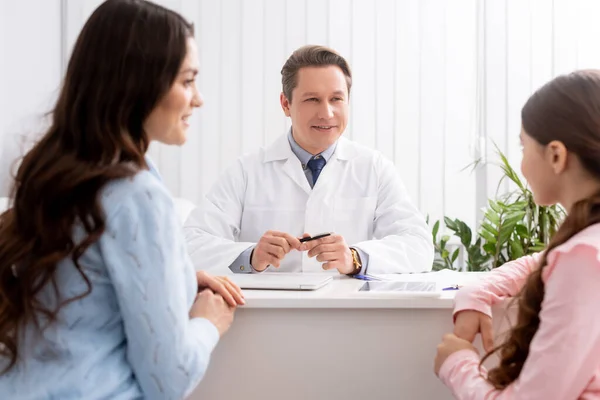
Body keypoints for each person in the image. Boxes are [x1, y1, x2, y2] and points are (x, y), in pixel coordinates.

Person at [0, 1, 244, 398]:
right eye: (187, 81)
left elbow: (82, 287)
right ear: (138, 85)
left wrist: (175, 278)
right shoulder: (138, 194)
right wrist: (206, 321)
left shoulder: (47, 171)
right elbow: (169, 379)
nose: (197, 99)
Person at [184, 45, 433, 276]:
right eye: (312, 99)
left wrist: (355, 258)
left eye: (336, 99)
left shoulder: (374, 168)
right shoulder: (247, 171)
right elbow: (191, 243)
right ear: (286, 104)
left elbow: (418, 245)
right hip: (268, 315)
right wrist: (250, 256)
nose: (326, 113)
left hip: (350, 314)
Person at [434, 70, 600, 398]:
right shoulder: (586, 246)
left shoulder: (584, 257)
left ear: (556, 154)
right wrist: (477, 291)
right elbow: (536, 264)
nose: (520, 165)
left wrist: (456, 363)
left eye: (523, 147)